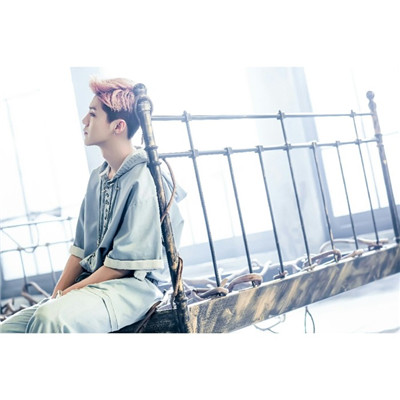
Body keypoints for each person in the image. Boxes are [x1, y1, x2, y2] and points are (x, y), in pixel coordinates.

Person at [0, 77, 184, 333]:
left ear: (118, 126)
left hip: (133, 289)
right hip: (93, 284)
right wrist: (57, 295)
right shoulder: (97, 178)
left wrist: (70, 293)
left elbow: (122, 267)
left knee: (50, 318)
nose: (85, 121)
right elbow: (79, 251)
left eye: (93, 114)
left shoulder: (145, 178)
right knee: (8, 330)